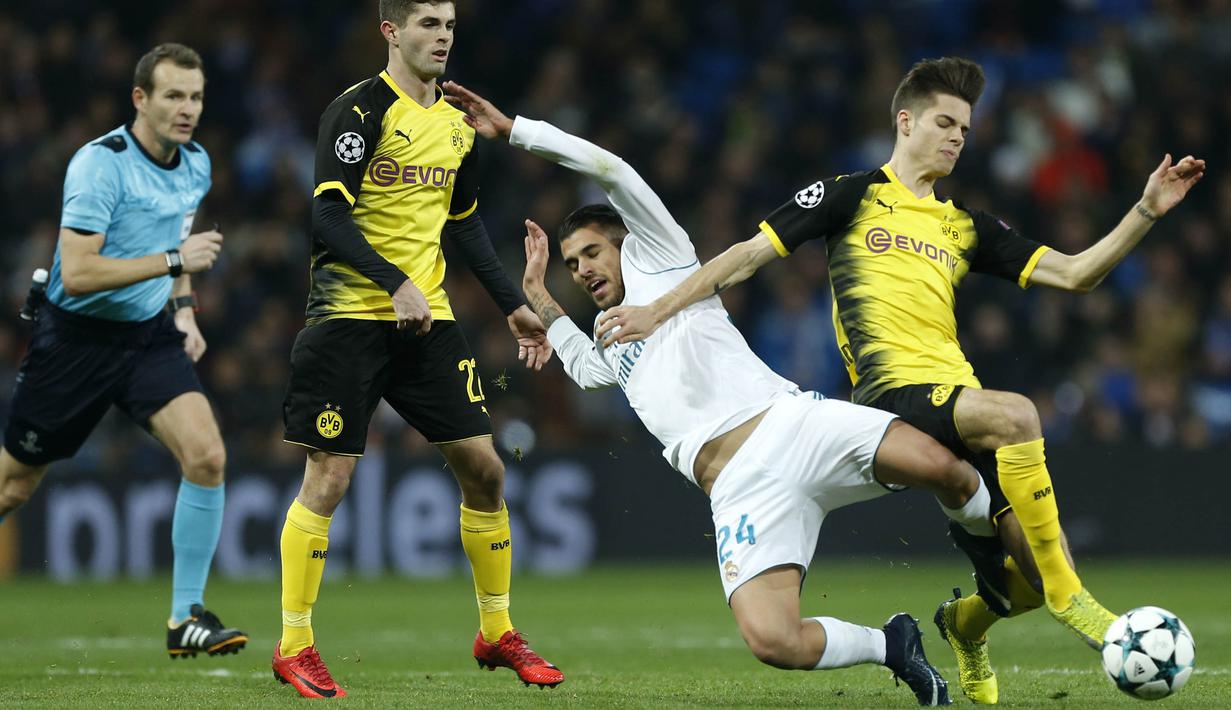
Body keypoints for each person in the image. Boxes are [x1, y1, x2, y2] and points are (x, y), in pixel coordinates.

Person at [593, 57, 1206, 704]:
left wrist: (1144, 209)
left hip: (954, 397)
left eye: (965, 130)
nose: (955, 138)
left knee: (1017, 580)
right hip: (891, 397)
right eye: (944, 122)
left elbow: (1078, 273)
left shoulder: (966, 226)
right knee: (1019, 416)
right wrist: (656, 309)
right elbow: (745, 256)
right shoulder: (849, 195)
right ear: (905, 121)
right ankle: (1075, 603)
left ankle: (963, 625)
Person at [443, 81, 1020, 708]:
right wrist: (540, 294)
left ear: (624, 241)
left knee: (949, 472)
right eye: (572, 262)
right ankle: (894, 645)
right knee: (775, 641)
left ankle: (997, 581)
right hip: (738, 492)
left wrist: (517, 131)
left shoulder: (660, 258)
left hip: (789, 426)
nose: (582, 269)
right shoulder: (611, 333)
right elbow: (584, 369)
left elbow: (609, 168)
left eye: (591, 252)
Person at [272, 0, 561, 699]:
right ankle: (294, 644)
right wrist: (394, 280)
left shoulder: (455, 127)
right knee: (330, 478)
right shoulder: (359, 111)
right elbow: (327, 213)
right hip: (348, 316)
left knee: (485, 470)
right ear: (390, 32)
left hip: (426, 321)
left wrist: (514, 307)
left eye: (450, 26)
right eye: (428, 25)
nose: (441, 38)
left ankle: (495, 632)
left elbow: (462, 228)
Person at [0, 43, 246, 659]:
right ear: (140, 99)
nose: (186, 109)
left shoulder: (196, 164)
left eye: (194, 97)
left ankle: (185, 618)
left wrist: (183, 308)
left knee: (208, 455)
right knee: (13, 487)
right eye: (172, 96)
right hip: (74, 338)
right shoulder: (99, 165)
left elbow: (178, 242)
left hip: (145, 336)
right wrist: (172, 264)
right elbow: (78, 273)